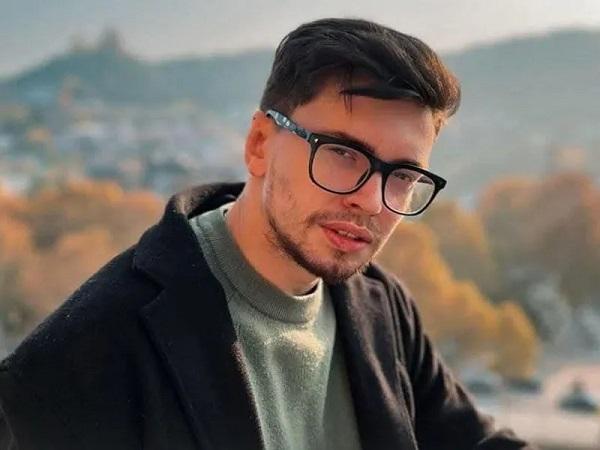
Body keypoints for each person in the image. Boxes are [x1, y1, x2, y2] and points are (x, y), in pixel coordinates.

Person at [0, 18, 533, 450]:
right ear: (259, 144)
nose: (372, 201)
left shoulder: (382, 306)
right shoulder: (84, 356)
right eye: (342, 154)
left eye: (403, 176)